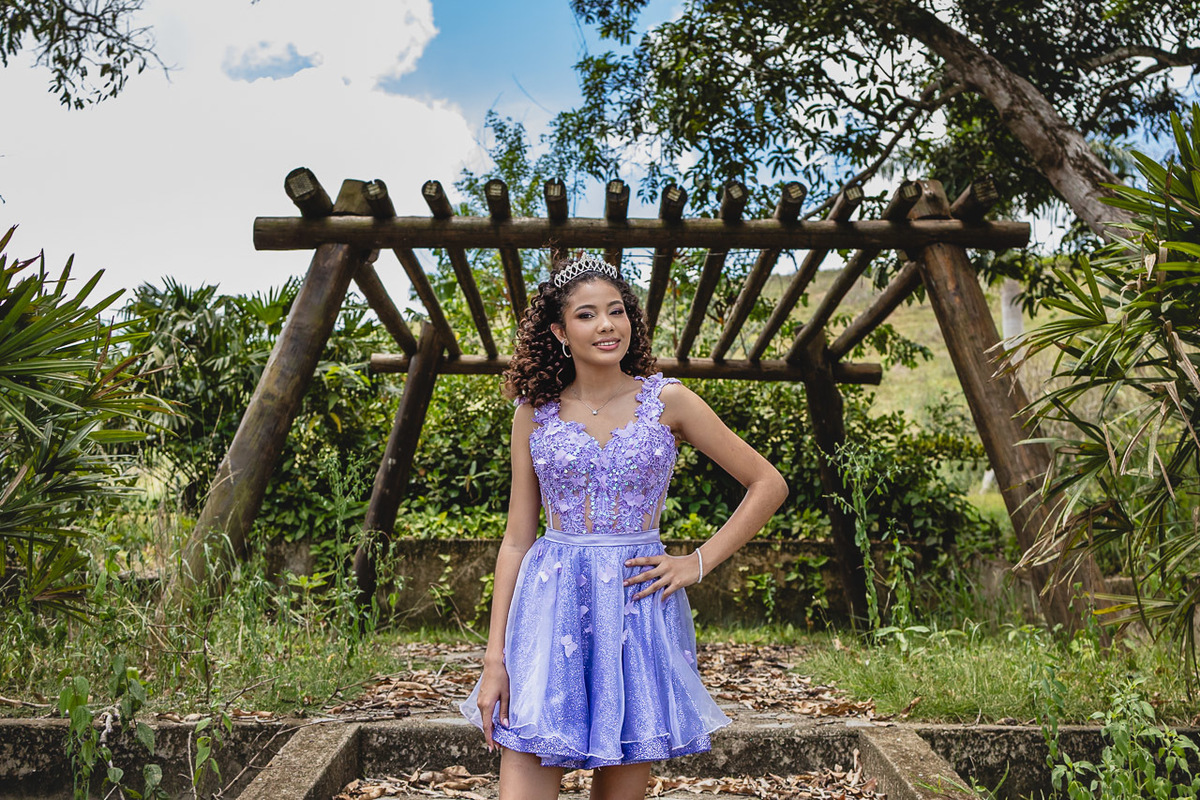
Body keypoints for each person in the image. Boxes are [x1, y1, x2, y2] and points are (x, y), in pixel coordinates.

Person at [460, 253, 788, 800]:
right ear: (560, 331)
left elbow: (767, 483)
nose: (607, 324)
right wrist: (494, 660)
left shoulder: (668, 401)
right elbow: (517, 538)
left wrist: (696, 562)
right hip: (549, 612)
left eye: (617, 311)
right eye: (587, 315)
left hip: (637, 609)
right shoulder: (533, 413)